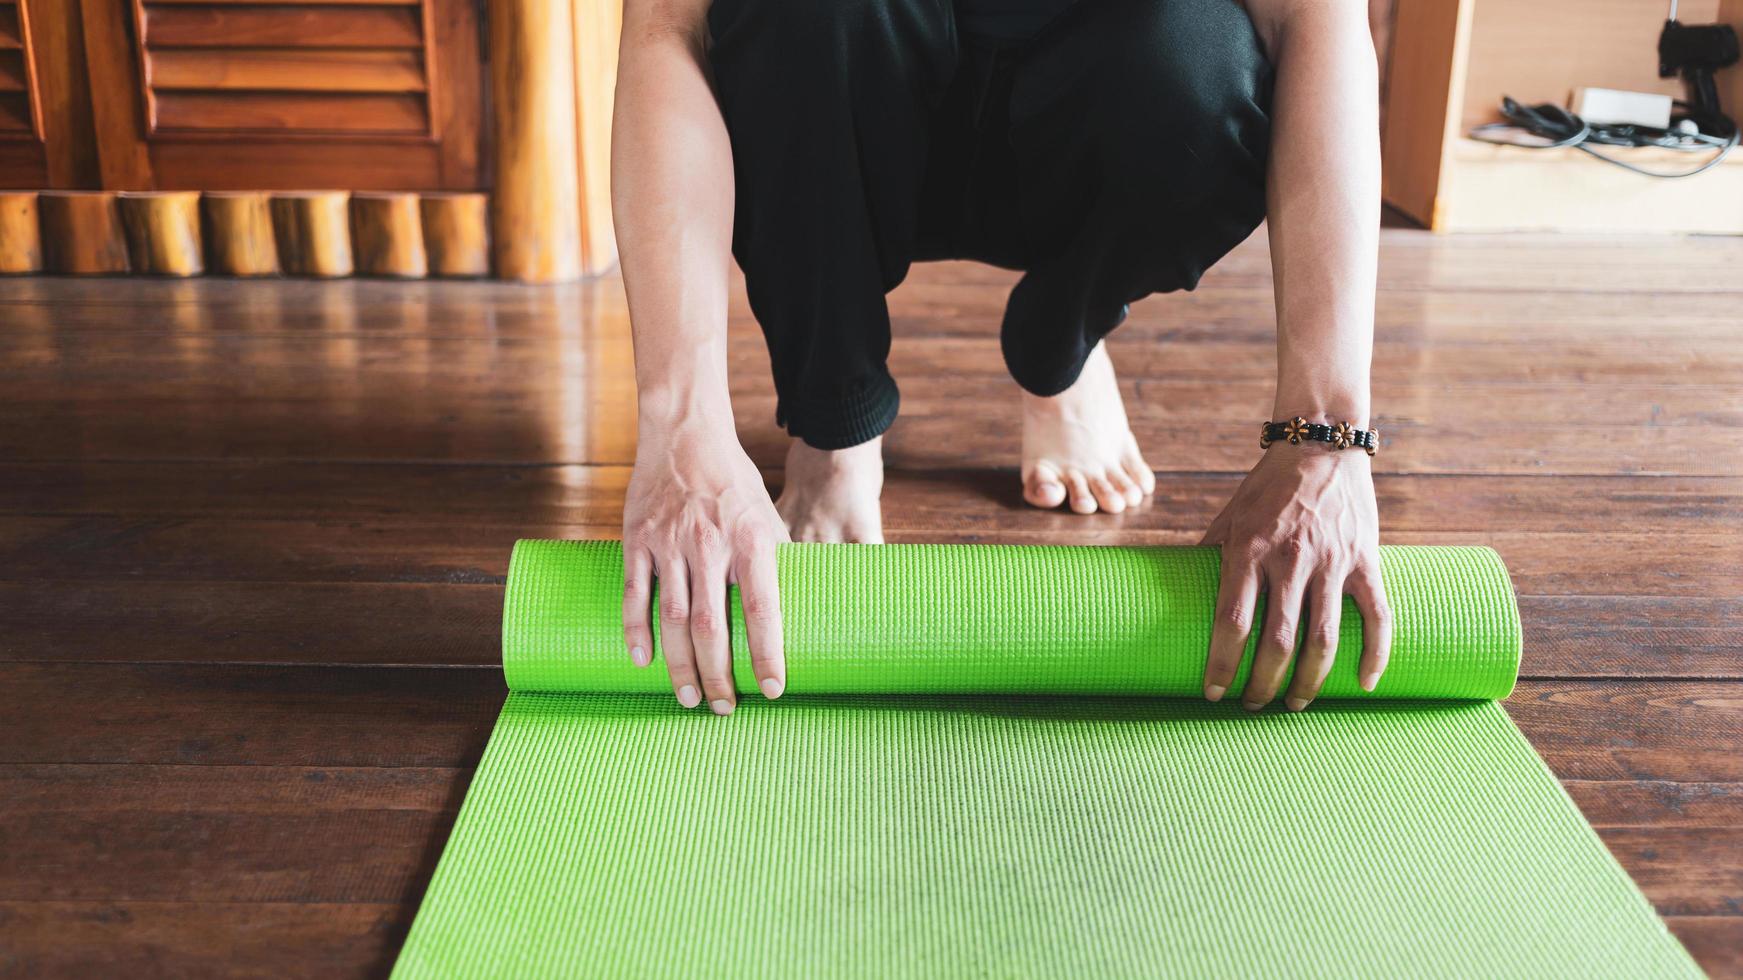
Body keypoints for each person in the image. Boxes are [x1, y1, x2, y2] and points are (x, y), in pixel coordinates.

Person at [612, 0, 1393, 716]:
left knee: (1202, 68)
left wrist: (1322, 440)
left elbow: (1315, 21)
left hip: (1096, 108)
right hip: (842, 106)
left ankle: (1059, 340)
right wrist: (683, 428)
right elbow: (666, 28)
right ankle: (833, 420)